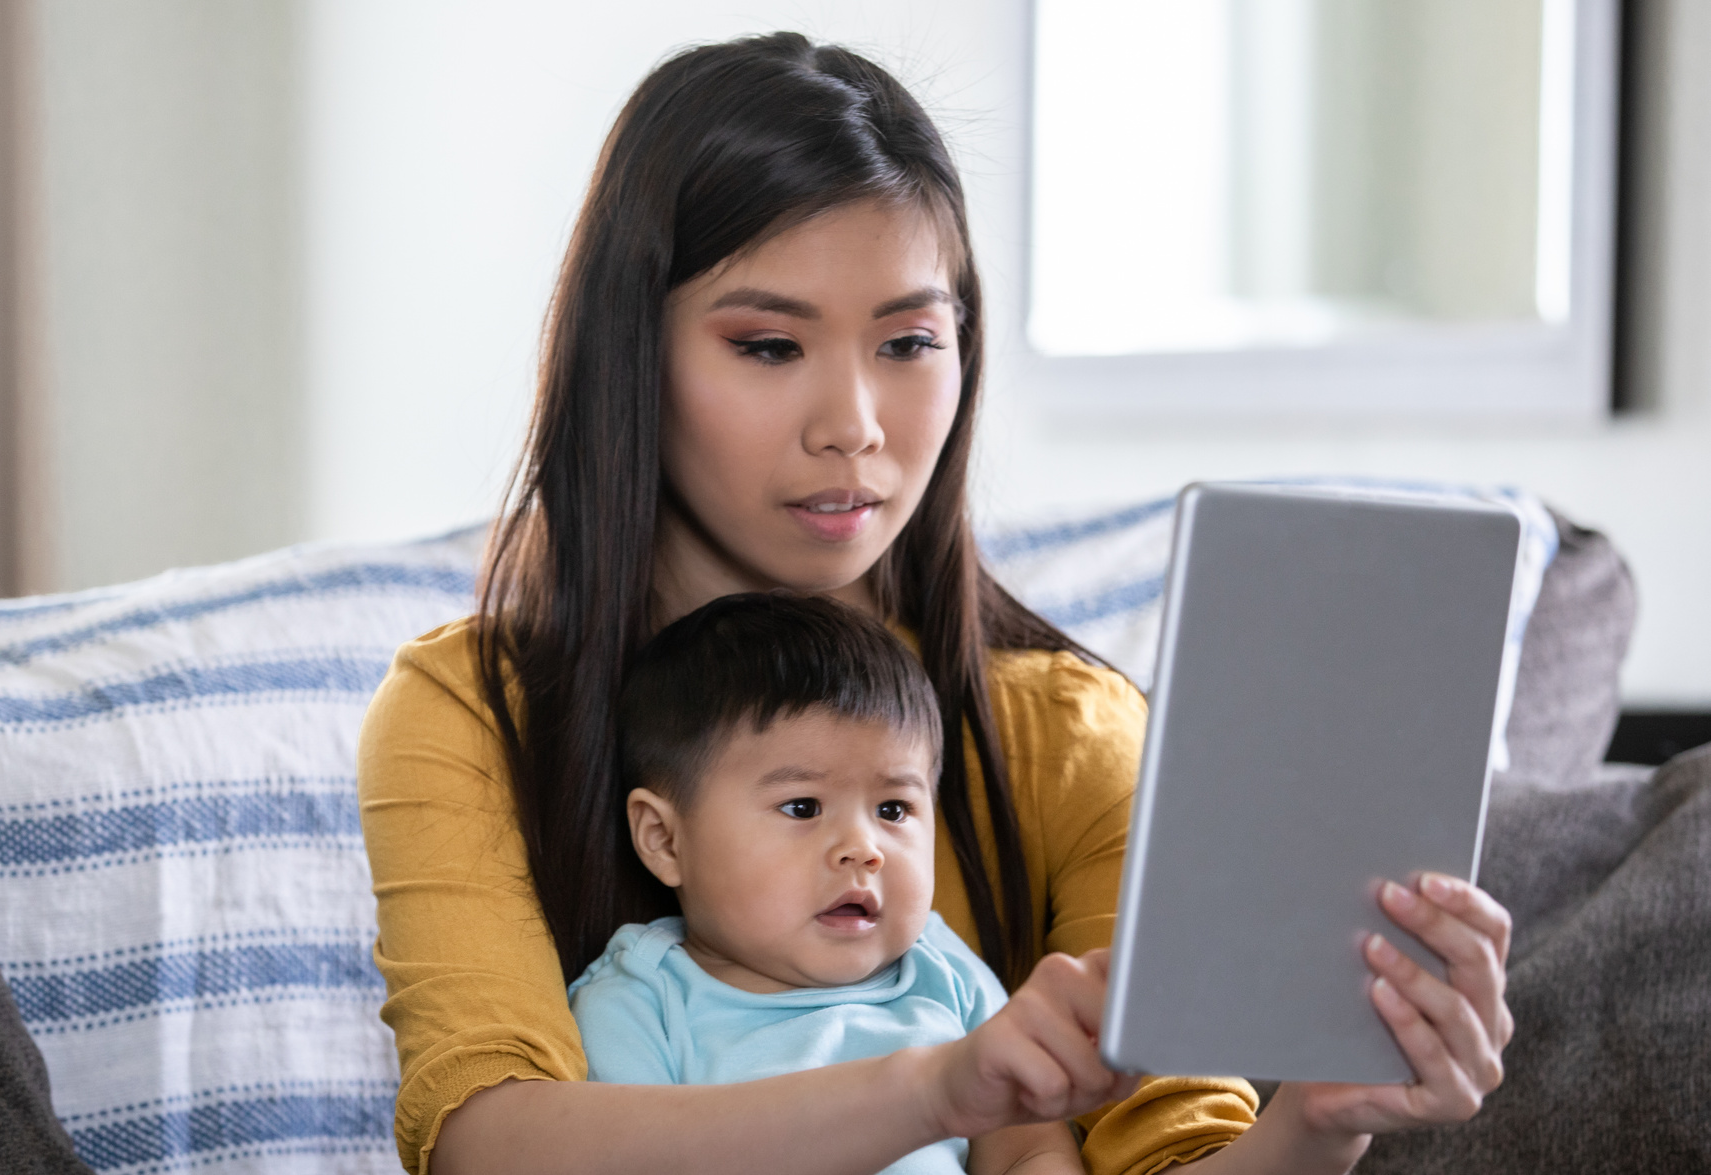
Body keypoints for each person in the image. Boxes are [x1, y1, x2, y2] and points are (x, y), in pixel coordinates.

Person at [356, 30, 1513, 1175]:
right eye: (768, 345)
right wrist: (934, 1086)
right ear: (632, 353)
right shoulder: (471, 709)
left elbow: (1170, 1155)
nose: (853, 423)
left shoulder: (1067, 731)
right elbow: (490, 1143)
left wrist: (1321, 1120)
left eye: (910, 339)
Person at [571, 590, 1106, 1175]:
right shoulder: (642, 1000)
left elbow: (1028, 1148)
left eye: (894, 810)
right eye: (802, 808)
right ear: (665, 839)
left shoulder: (944, 971)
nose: (864, 849)